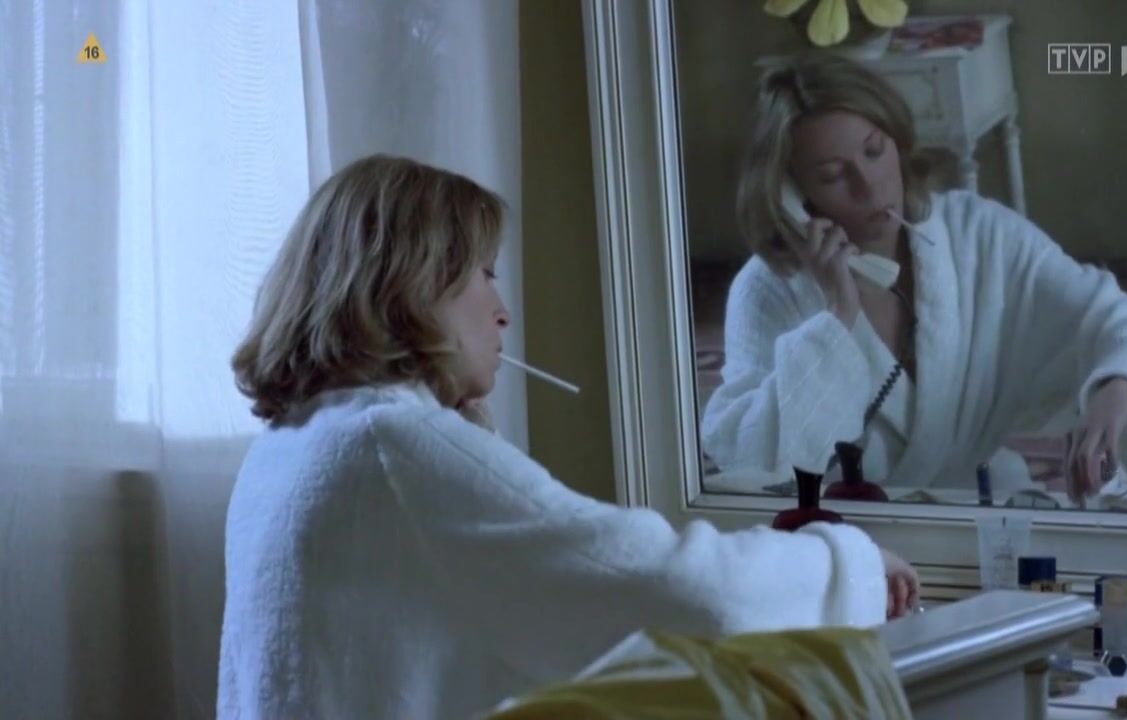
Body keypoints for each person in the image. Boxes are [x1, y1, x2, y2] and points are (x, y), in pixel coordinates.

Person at [217, 154, 919, 719]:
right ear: (414, 284)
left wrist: (470, 437)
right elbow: (679, 592)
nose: (502, 312)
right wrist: (850, 565)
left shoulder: (290, 447)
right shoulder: (393, 443)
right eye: (484, 275)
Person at [700, 52, 1127, 502]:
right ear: (793, 193)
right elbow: (755, 467)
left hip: (977, 505)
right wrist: (836, 318)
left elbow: (1115, 316)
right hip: (852, 535)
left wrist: (1114, 385)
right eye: (833, 175)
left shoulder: (976, 233)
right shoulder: (767, 290)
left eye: (874, 151)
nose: (868, 186)